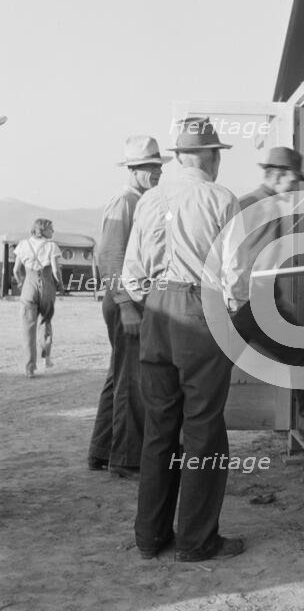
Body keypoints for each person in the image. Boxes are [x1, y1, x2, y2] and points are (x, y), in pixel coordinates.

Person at [123, 117, 249, 561]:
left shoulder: (151, 198)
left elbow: (133, 276)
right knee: (202, 429)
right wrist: (232, 310)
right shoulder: (221, 198)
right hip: (201, 311)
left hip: (157, 311)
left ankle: (150, 536)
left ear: (177, 156)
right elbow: (236, 276)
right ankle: (196, 539)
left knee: (159, 428)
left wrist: (155, 300)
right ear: (212, 156)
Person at [88, 136, 171, 480]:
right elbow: (110, 257)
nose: (157, 172)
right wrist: (125, 305)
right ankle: (125, 460)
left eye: (159, 165)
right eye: (150, 167)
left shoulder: (138, 200)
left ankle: (102, 451)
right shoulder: (126, 202)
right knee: (132, 379)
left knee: (120, 375)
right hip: (126, 299)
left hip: (128, 299)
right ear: (133, 170)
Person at [232, 147, 304, 426]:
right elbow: (259, 263)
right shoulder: (269, 208)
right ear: (278, 176)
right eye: (293, 182)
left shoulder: (245, 202)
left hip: (236, 303)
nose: (294, 188)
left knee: (213, 374)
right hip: (254, 305)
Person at [13, 218, 65, 378]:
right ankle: (46, 357)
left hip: (29, 284)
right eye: (51, 229)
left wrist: (22, 283)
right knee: (45, 322)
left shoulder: (22, 244)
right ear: (43, 230)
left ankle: (29, 368)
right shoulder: (52, 246)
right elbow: (56, 271)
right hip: (47, 285)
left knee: (28, 327)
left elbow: (16, 270)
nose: (53, 231)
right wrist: (61, 285)